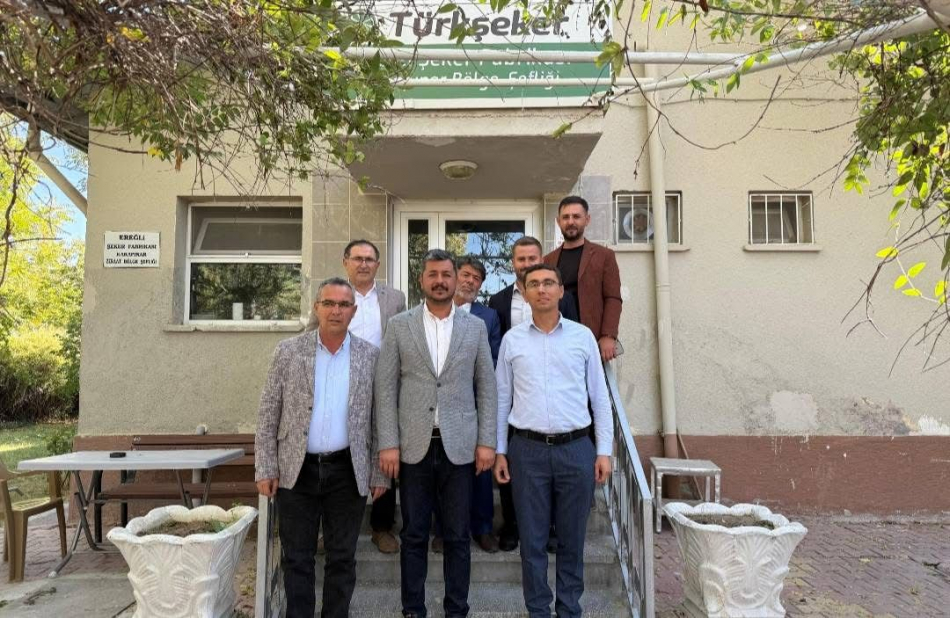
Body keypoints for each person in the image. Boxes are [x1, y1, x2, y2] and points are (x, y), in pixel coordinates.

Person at [255, 277, 388, 618]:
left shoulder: (370, 356)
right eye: (328, 303)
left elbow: (378, 418)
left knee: (342, 557)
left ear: (353, 311)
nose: (335, 310)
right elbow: (269, 410)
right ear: (316, 308)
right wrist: (265, 466)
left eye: (343, 304)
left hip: (347, 470)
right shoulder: (288, 351)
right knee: (297, 557)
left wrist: (378, 472)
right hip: (296, 469)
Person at [375, 248, 498, 618]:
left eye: (447, 274)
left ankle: (456, 609)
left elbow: (487, 387)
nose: (440, 281)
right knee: (414, 533)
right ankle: (413, 609)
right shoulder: (399, 325)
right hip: (413, 446)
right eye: (433, 274)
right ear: (422, 280)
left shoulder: (474, 327)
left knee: (458, 535)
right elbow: (385, 388)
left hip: (460, 447)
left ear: (456, 279)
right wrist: (388, 443)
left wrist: (487, 441)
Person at [493, 263, 613, 618]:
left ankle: (569, 609)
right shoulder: (512, 340)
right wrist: (500, 450)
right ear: (525, 292)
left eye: (549, 283)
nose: (542, 289)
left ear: (561, 291)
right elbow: (501, 399)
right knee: (531, 542)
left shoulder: (582, 337)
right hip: (526, 452)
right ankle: (538, 611)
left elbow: (600, 398)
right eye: (534, 283)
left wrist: (603, 451)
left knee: (572, 541)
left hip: (576, 450)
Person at [308, 239, 407, 554]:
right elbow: (311, 334)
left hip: (381, 384)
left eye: (369, 259)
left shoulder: (395, 298)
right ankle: (329, 531)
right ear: (345, 262)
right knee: (336, 452)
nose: (363, 264)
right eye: (357, 258)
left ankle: (382, 527)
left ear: (378, 264)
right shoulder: (333, 295)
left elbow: (402, 339)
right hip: (339, 382)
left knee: (384, 450)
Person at [487, 236, 577, 552]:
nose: (526, 264)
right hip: (514, 394)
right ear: (513, 263)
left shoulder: (562, 298)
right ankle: (512, 525)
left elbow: (571, 339)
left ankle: (551, 528)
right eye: (521, 259)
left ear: (542, 259)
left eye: (532, 258)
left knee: (549, 468)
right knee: (514, 463)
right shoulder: (498, 301)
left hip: (552, 396)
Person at [432, 256, 502, 554]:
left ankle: (482, 528)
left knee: (480, 469)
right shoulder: (433, 312)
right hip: (440, 407)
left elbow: (492, 361)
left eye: (477, 278)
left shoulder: (489, 317)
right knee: (442, 470)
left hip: (474, 404)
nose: (471, 281)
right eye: (466, 275)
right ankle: (442, 530)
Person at [543, 195, 622, 362]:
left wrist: (608, 335)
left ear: (587, 220)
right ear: (558, 221)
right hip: (556, 339)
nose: (570, 221)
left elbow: (613, 298)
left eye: (576, 216)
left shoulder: (604, 256)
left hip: (592, 339)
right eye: (566, 217)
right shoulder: (548, 260)